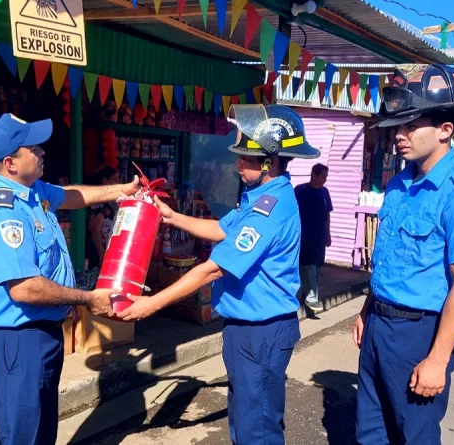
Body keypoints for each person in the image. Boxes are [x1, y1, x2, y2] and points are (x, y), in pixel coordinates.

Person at [118, 104, 321, 445]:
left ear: (269, 162)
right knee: (246, 420)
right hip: (251, 331)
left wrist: (150, 306)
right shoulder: (259, 198)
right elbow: (221, 230)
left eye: (246, 158)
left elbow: (212, 269)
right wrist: (171, 216)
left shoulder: (269, 209)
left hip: (261, 333)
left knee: (256, 429)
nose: (238, 163)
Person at [352, 64, 454, 444]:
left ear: (445, 130)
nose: (400, 135)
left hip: (420, 332)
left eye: (410, 125)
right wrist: (366, 310)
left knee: (415, 435)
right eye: (398, 126)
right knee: (370, 431)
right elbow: (390, 258)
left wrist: (437, 359)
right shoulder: (399, 184)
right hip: (378, 324)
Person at [0, 113, 140, 445]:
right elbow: (25, 288)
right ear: (10, 163)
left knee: (41, 432)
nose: (43, 151)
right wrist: (89, 298)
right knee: (22, 436)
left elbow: (71, 195)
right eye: (34, 147)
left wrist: (121, 190)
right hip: (17, 340)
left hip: (40, 336)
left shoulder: (28, 189)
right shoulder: (1, 211)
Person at [294, 163, 333, 313]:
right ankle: (311, 298)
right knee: (308, 265)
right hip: (305, 234)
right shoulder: (300, 191)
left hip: (320, 235)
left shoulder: (325, 192)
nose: (325, 179)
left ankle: (307, 296)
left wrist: (328, 234)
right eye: (323, 176)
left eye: (326, 176)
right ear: (314, 175)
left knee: (317, 266)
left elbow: (327, 215)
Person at [85, 165, 120, 270]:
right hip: (100, 253)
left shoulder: (112, 201)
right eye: (115, 178)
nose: (118, 182)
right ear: (105, 181)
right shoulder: (98, 203)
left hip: (111, 252)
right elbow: (95, 230)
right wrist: (102, 255)